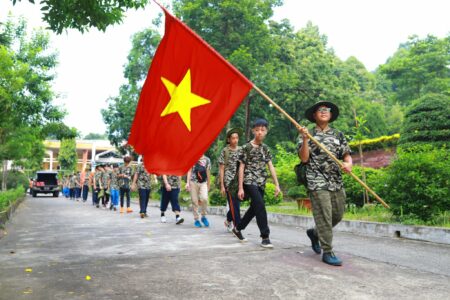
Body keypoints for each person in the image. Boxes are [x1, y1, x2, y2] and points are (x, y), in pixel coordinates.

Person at [298, 101, 352, 266]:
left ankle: (315, 233)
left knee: (338, 214)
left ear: (330, 114)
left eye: (326, 110)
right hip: (316, 179)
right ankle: (327, 251)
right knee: (325, 215)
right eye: (319, 110)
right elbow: (304, 158)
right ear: (314, 115)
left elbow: (347, 156)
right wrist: (306, 139)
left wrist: (348, 164)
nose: (323, 111)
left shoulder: (338, 134)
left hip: (335, 180)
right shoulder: (306, 133)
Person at [235, 118, 281, 247]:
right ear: (253, 131)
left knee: (254, 208)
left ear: (266, 132)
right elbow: (241, 168)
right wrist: (240, 188)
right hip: (249, 181)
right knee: (260, 206)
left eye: (263, 130)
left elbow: (271, 166)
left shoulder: (265, 148)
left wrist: (277, 185)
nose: (260, 132)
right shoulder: (246, 147)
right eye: (257, 130)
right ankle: (265, 236)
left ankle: (238, 228)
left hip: (261, 181)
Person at [218, 128, 243, 234]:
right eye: (233, 138)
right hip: (229, 182)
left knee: (236, 204)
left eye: (237, 138)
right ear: (229, 139)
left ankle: (228, 220)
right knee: (235, 204)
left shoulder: (242, 150)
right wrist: (222, 185)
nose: (235, 140)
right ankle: (238, 228)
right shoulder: (225, 151)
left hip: (240, 181)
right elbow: (221, 169)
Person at [186, 154, 211, 228]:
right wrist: (187, 183)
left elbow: (208, 172)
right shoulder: (192, 157)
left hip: (203, 183)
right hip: (193, 182)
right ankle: (196, 219)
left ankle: (203, 216)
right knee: (194, 201)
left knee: (204, 198)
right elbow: (189, 171)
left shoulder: (207, 160)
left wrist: (209, 185)